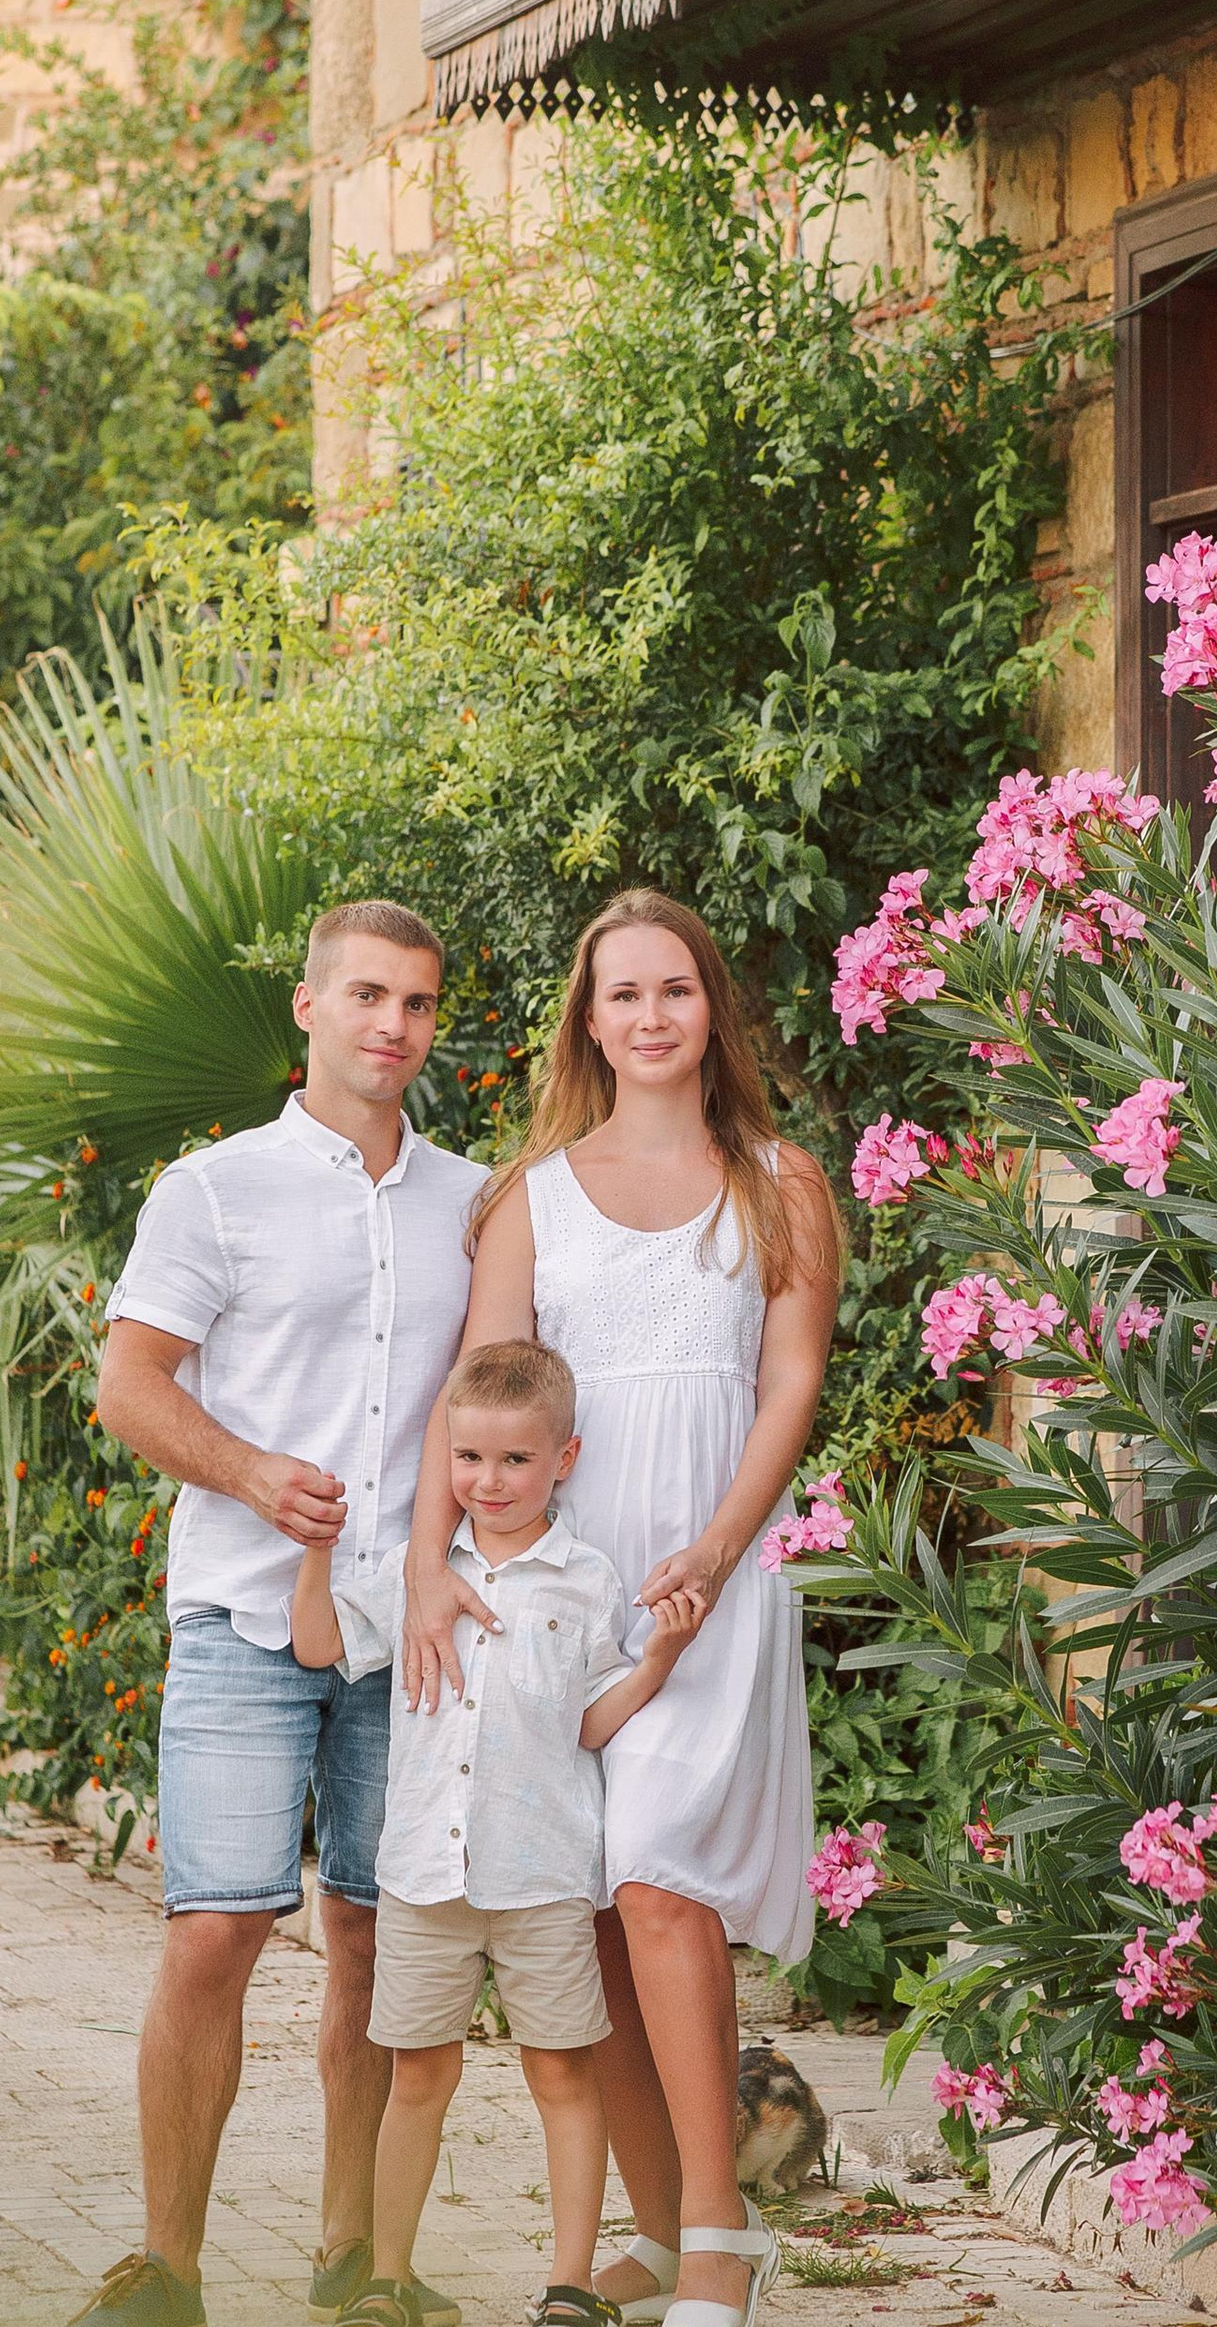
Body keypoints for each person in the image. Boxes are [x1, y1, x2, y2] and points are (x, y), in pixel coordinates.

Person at [402, 891, 842, 2327]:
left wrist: (714, 1555)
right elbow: (476, 1398)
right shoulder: (530, 1194)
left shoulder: (781, 1181)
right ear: (587, 1021)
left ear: (711, 1006)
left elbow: (789, 1388)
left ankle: (721, 2233)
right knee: (589, 1906)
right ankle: (655, 2230)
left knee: (658, 1879)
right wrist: (436, 1567)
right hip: (566, 1593)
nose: (651, 1016)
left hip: (706, 1580)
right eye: (622, 994)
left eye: (675, 989)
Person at [74, 900, 484, 2327]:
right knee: (214, 1931)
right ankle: (168, 2269)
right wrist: (249, 1473)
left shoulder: (476, 1203)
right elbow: (130, 1387)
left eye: (419, 1003)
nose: (394, 1024)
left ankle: (356, 2262)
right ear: (307, 1008)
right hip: (247, 1615)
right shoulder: (214, 1193)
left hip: (410, 1631)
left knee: (378, 1940)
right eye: (368, 994)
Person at [291, 1337, 707, 2327]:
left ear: (562, 1458)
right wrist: (316, 1549)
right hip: (423, 1878)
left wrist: (663, 1655)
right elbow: (316, 1642)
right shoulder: (411, 1570)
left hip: (542, 1873)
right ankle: (388, 2279)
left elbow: (593, 1718)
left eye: (516, 1459)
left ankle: (570, 2286)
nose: (488, 1480)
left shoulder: (588, 1580)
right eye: (468, 1458)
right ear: (446, 1457)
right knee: (418, 2074)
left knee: (562, 2070)